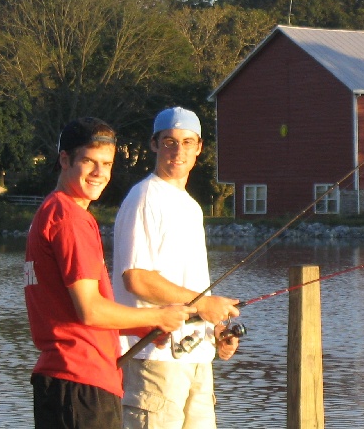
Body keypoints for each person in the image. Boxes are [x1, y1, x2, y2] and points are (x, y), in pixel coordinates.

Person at [24, 116, 194, 429]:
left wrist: (138, 328)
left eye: (107, 163)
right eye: (89, 162)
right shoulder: (71, 219)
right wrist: (156, 316)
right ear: (65, 160)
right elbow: (90, 310)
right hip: (80, 384)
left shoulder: (50, 210)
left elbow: (73, 312)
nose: (100, 173)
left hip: (67, 380)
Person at [113, 107, 241, 429]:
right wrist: (203, 304)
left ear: (199, 148)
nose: (178, 151)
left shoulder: (191, 206)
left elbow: (191, 282)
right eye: (169, 141)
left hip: (197, 357)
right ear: (154, 145)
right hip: (154, 358)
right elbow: (137, 279)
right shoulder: (144, 197)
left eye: (187, 142)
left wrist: (215, 330)